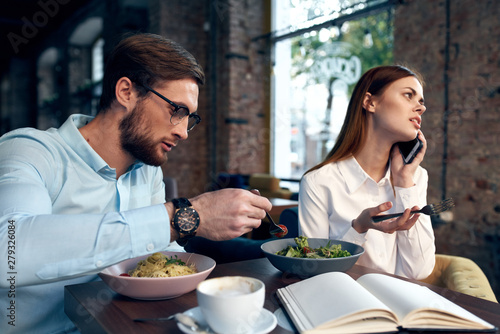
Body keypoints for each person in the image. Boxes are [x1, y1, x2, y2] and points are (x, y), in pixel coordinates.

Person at [0, 33, 271, 333]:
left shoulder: (147, 170)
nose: (184, 132)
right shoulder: (29, 150)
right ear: (126, 91)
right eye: (176, 111)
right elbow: (7, 251)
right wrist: (186, 215)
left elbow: (159, 256)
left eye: (190, 118)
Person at [299, 65, 435, 280]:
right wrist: (358, 229)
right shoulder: (319, 182)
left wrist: (404, 183)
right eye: (408, 95)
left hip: (396, 304)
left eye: (421, 101)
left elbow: (419, 271)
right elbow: (312, 270)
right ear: (370, 102)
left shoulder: (416, 177)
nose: (421, 108)